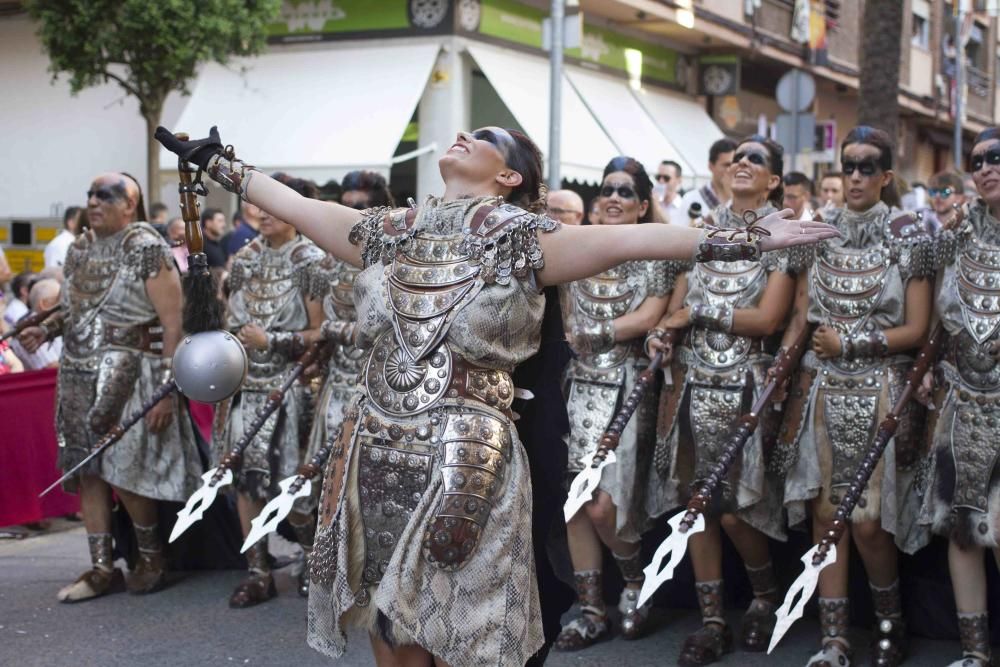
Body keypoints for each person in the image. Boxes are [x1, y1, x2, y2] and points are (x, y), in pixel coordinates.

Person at [156, 124, 836, 666]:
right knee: (385, 621)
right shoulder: (392, 232)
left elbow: (625, 239)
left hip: (466, 450)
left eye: (484, 138)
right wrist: (221, 164)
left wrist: (737, 237)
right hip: (374, 438)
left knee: (458, 625)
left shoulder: (523, 237)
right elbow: (303, 208)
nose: (463, 137)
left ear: (509, 176)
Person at [778, 126, 935, 667]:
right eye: (850, 165)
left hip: (883, 391)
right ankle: (834, 638)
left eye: (869, 167)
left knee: (867, 523)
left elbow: (919, 327)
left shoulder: (910, 234)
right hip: (823, 388)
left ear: (887, 177)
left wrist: (853, 341)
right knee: (826, 516)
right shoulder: (819, 232)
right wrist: (785, 370)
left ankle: (891, 624)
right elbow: (801, 314)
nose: (857, 176)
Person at [647, 135, 802, 665]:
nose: (741, 163)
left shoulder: (785, 237)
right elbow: (676, 304)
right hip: (692, 383)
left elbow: (768, 320)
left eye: (755, 158)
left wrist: (696, 316)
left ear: (774, 180)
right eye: (737, 157)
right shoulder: (703, 231)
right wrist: (664, 332)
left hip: (749, 386)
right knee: (696, 508)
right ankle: (713, 622)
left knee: (737, 512)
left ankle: (763, 598)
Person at [18, 172, 200, 601]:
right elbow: (74, 311)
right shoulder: (80, 249)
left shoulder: (147, 249)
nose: (94, 201)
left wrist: (167, 390)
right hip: (77, 375)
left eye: (106, 195)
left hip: (131, 374)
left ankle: (151, 557)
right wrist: (46, 332)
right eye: (90, 195)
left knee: (128, 472)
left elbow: (174, 323)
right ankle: (102, 567)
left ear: (129, 206)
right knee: (88, 473)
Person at [556, 157, 683, 650]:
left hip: (630, 383)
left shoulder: (658, 255)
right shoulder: (574, 251)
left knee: (605, 507)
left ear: (643, 206)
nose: (613, 198)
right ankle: (590, 610)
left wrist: (594, 333)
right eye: (607, 190)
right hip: (575, 385)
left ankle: (635, 582)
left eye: (625, 193)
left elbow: (649, 315)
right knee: (574, 503)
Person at [217, 176, 324, 608]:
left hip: (293, 385)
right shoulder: (242, 259)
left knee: (295, 483)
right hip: (245, 386)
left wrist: (274, 342)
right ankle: (258, 571)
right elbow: (229, 320)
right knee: (246, 481)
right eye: (256, 204)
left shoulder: (311, 260)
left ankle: (313, 559)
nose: (262, 212)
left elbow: (321, 334)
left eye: (271, 204)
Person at [920, 126, 1000, 667]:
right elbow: (934, 317)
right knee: (962, 526)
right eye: (977, 160)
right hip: (963, 400)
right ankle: (974, 653)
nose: (987, 167)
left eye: (998, 157)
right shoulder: (954, 237)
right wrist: (925, 366)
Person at [293, 170, 394, 599]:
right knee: (315, 487)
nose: (352, 213)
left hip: (389, 391)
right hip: (337, 389)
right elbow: (316, 331)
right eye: (346, 204)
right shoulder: (321, 264)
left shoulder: (397, 261)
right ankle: (316, 564)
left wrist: (339, 331)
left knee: (374, 491)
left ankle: (372, 575)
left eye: (361, 206)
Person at [679, 138, 737, 224]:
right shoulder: (691, 198)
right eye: (726, 165)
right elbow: (680, 233)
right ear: (710, 166)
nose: (730, 170)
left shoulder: (743, 201)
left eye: (734, 164)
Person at [10, 278, 62, 370]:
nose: (63, 305)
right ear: (44, 304)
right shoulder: (29, 328)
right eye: (58, 300)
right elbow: (50, 368)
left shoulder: (54, 325)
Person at [657, 159, 686, 225]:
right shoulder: (653, 203)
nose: (661, 181)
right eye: (658, 177)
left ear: (679, 180)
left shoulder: (684, 207)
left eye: (666, 178)